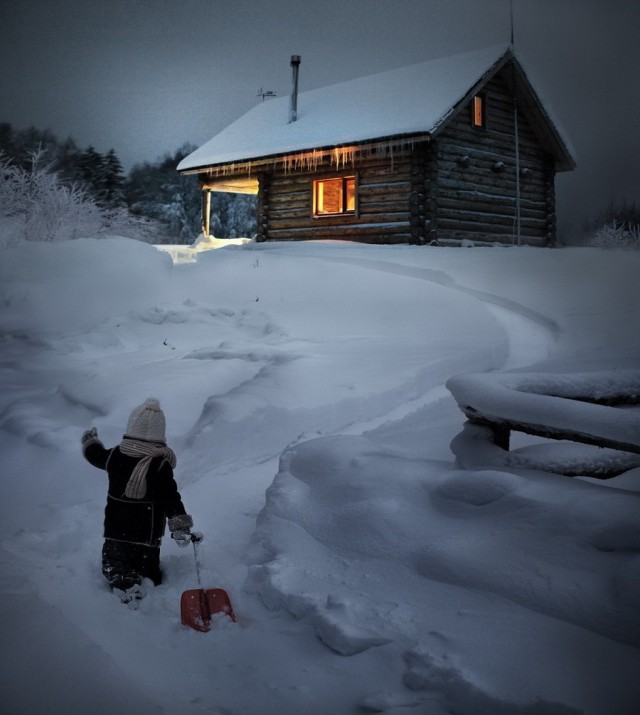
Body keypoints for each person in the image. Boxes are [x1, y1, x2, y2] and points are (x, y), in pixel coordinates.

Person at [81, 397, 194, 602]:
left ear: (131, 427)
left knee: (115, 565)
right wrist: (179, 526)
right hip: (147, 536)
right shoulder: (160, 464)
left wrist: (90, 441)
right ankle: (147, 588)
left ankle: (123, 586)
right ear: (160, 434)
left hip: (116, 532)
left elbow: (95, 455)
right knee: (148, 570)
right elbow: (171, 498)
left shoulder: (116, 455)